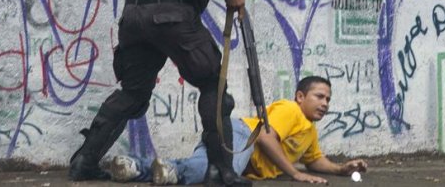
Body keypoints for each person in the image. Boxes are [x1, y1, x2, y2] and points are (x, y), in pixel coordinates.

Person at [68, 0, 249, 187]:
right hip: (170, 16)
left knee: (133, 93)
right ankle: (221, 172)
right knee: (213, 85)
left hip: (134, 18)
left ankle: (84, 161)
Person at [106, 76, 368, 185]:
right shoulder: (291, 111)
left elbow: (314, 160)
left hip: (242, 151)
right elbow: (265, 136)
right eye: (319, 96)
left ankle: (134, 167)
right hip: (243, 136)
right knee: (205, 171)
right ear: (300, 96)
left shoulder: (309, 131)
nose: (325, 103)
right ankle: (161, 169)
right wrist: (294, 175)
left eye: (328, 99)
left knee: (204, 168)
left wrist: (341, 169)